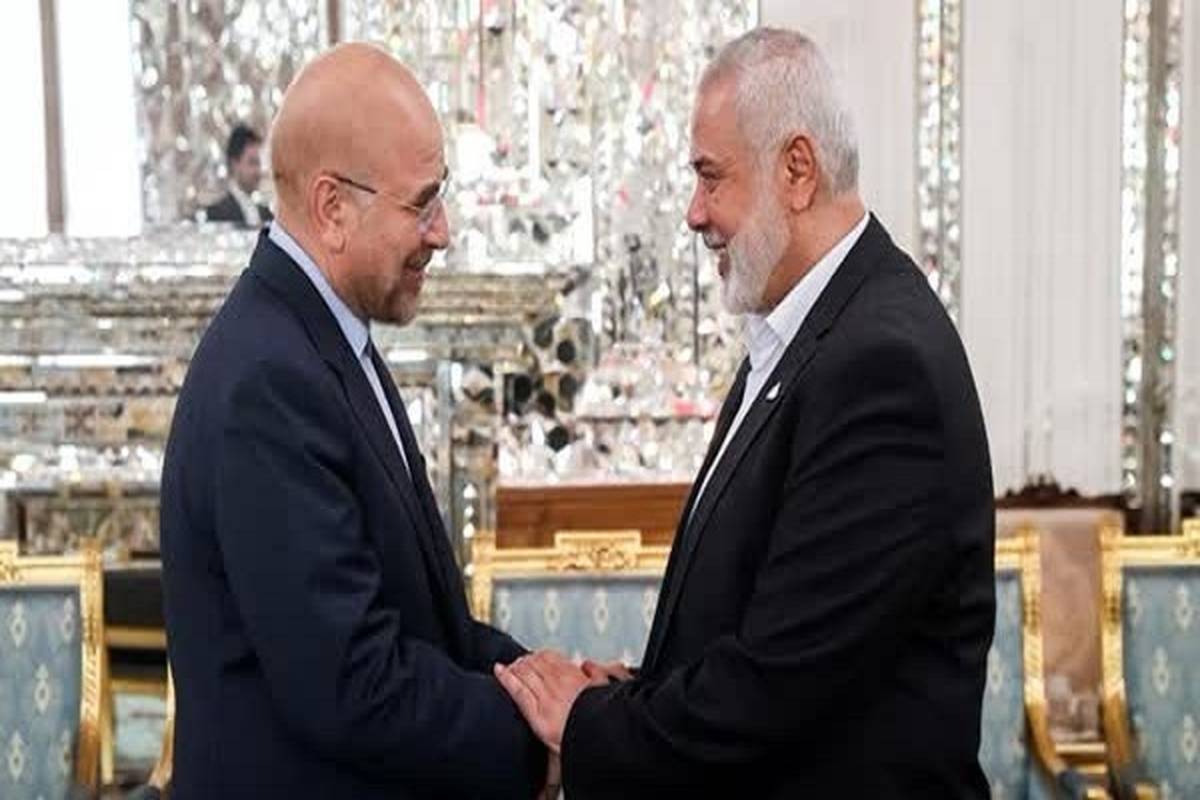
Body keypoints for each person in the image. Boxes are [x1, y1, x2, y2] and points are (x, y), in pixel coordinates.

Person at [496, 27, 996, 798]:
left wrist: (588, 724)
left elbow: (779, 683)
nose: (694, 214)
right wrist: (631, 697)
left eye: (710, 177)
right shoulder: (809, 333)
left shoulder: (879, 366)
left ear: (797, 170)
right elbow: (759, 620)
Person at [160, 43, 547, 799]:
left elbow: (419, 622)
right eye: (421, 204)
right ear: (333, 207)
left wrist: (543, 685)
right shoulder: (271, 380)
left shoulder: (317, 340)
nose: (443, 231)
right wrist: (540, 742)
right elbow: (352, 683)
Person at [203, 123, 274, 228]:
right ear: (234, 164)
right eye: (252, 163)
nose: (258, 171)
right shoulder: (217, 213)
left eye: (259, 164)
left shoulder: (266, 213)